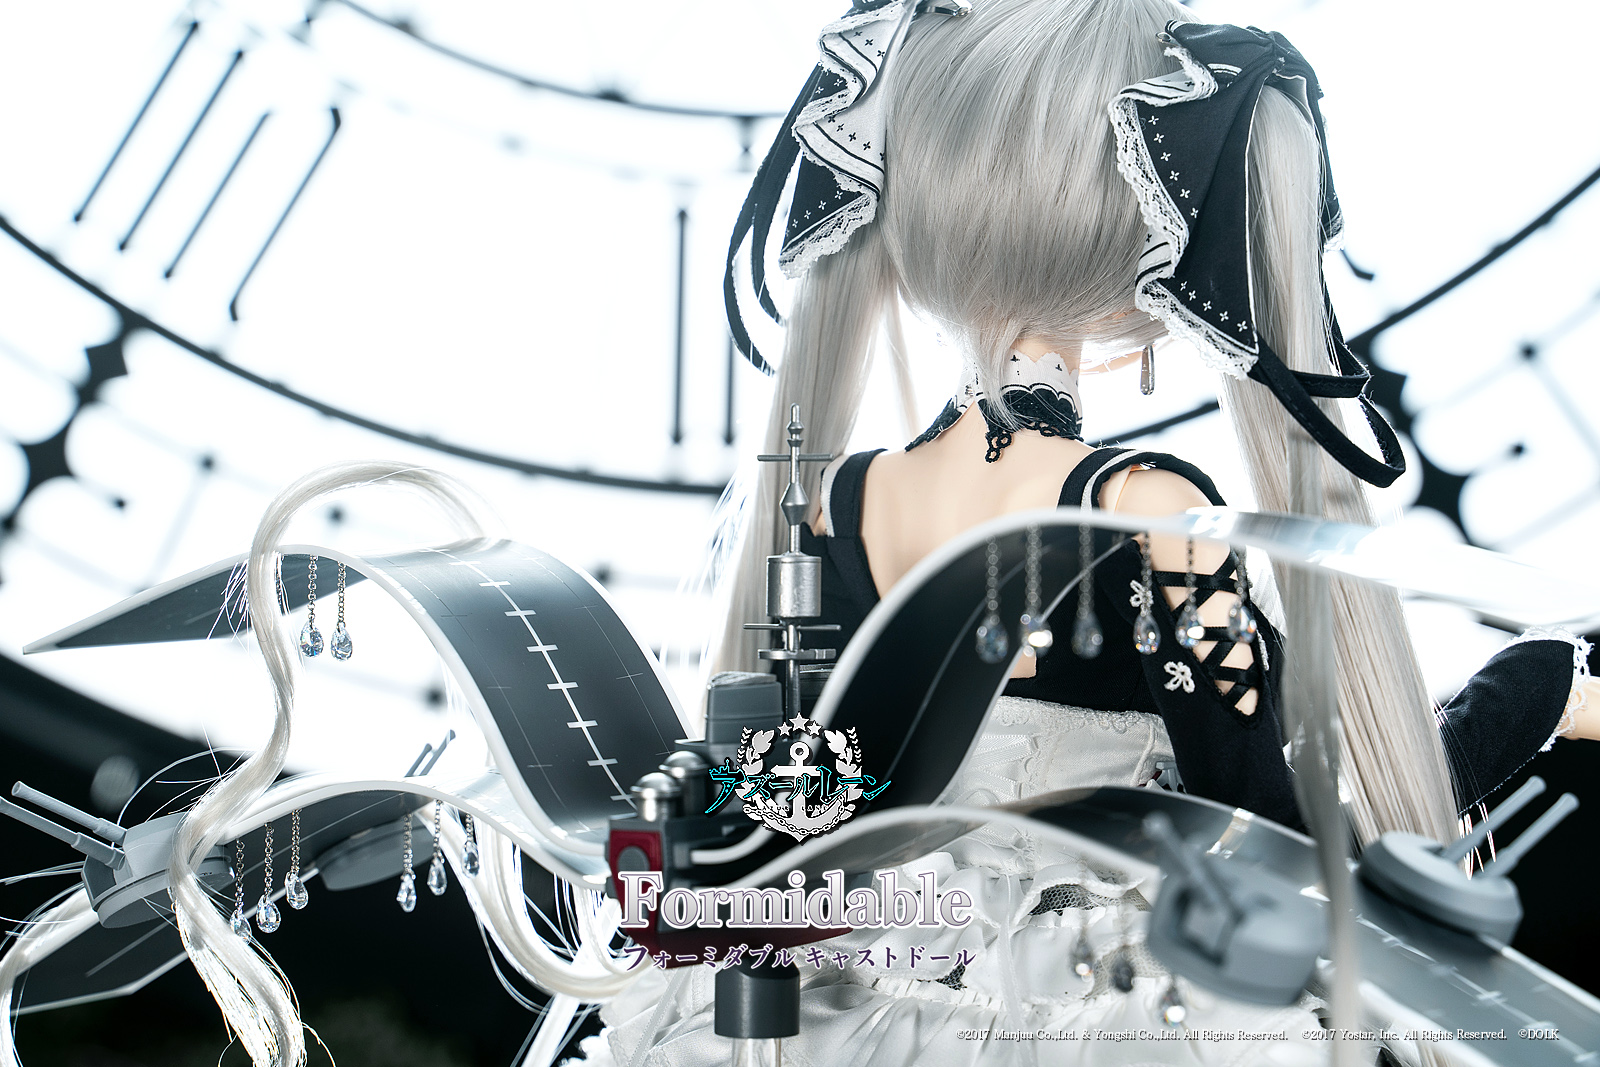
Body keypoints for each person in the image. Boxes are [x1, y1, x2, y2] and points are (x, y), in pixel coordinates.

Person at [577, 0, 1598, 1063]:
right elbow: (1273, 837)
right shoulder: (1149, 508)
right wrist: (1523, 698)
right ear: (1156, 247)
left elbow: (801, 793)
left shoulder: (842, 497)